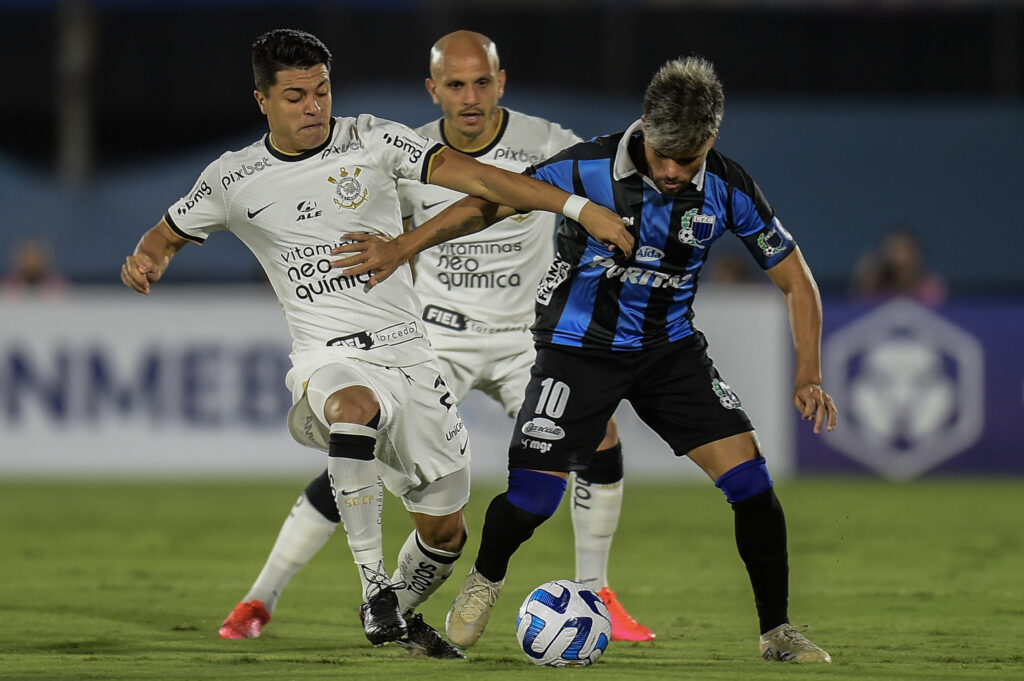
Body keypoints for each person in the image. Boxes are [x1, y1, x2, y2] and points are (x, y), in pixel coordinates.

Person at [119, 28, 632, 659]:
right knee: (352, 410)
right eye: (296, 96)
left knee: (446, 533)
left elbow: (485, 183)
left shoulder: (375, 138)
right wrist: (146, 259)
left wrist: (578, 209)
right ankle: (369, 591)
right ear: (262, 101)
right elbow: (166, 232)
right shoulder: (233, 179)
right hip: (327, 357)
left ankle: (401, 610)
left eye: (322, 92)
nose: (314, 107)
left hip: (413, 353)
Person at [334, 56, 838, 663]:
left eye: (691, 158)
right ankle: (485, 578)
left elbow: (796, 280)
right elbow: (489, 204)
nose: (676, 172)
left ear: (711, 139)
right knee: (534, 500)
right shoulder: (588, 166)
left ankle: (776, 632)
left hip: (669, 353)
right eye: (665, 156)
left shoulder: (729, 184)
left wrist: (808, 372)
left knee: (752, 484)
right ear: (645, 129)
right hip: (576, 352)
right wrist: (402, 245)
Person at [850, 227, 947, 306]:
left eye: (903, 248)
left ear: (916, 252)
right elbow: (858, 307)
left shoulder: (930, 286)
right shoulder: (876, 284)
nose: (897, 254)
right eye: (892, 248)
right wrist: (866, 279)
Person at [1, 238, 68, 298]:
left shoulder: (55, 284)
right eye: (27, 258)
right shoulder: (9, 285)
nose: (32, 263)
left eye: (35, 258)